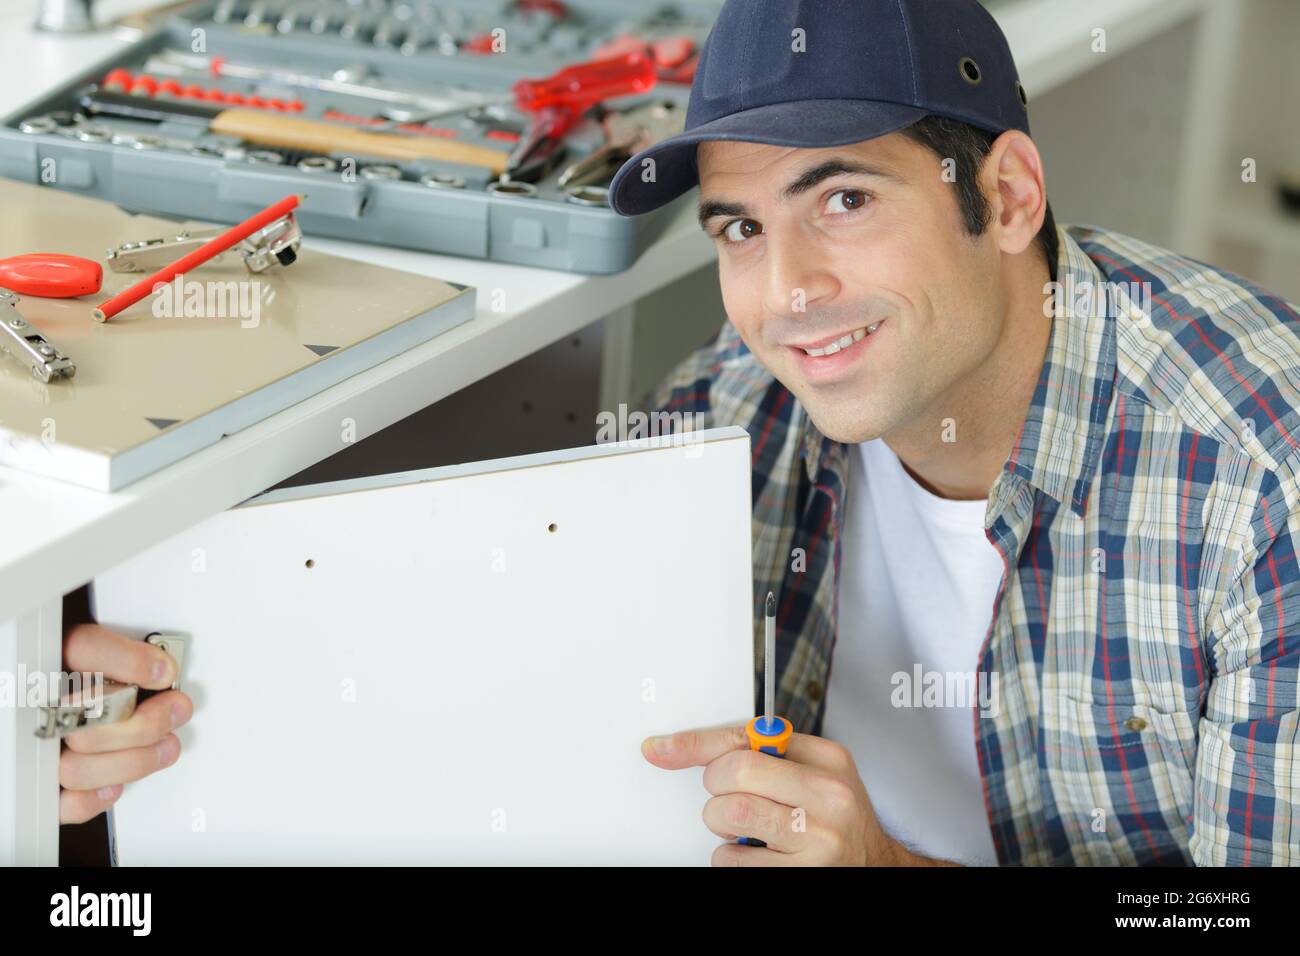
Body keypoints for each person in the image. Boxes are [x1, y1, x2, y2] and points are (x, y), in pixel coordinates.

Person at [610, 0, 1300, 865]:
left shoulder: (1262, 485)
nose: (786, 292)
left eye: (845, 199)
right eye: (742, 228)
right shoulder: (722, 419)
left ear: (1008, 197)